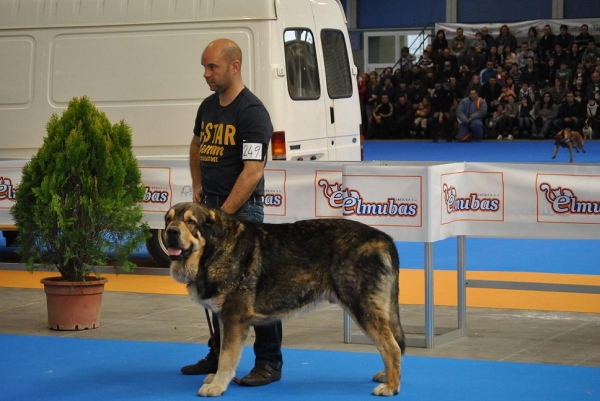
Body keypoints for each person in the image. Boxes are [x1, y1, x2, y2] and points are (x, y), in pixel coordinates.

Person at [183, 38, 283, 386]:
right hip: (210, 209)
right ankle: (217, 354)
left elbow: (252, 170)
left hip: (241, 214)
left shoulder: (252, 112)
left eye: (213, 67)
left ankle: (269, 362)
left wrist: (221, 217)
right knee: (211, 289)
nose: (206, 74)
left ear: (235, 66)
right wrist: (197, 185)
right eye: (204, 67)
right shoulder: (208, 107)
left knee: (256, 291)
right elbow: (197, 144)